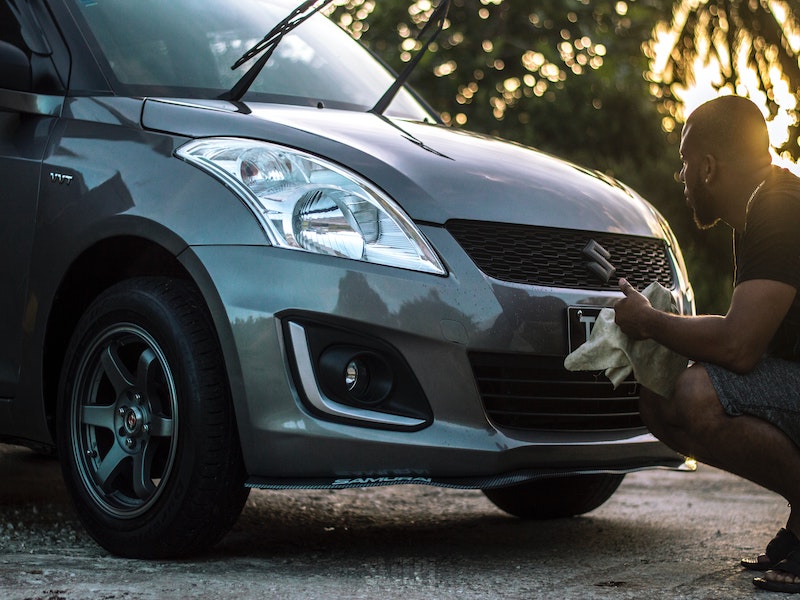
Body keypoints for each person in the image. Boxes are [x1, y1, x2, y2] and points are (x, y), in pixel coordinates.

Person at [613, 94, 800, 593]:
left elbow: (740, 345)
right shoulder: (764, 207)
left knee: (693, 394)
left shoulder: (779, 209)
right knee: (660, 395)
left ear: (709, 167)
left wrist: (651, 323)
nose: (683, 180)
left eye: (684, 165)